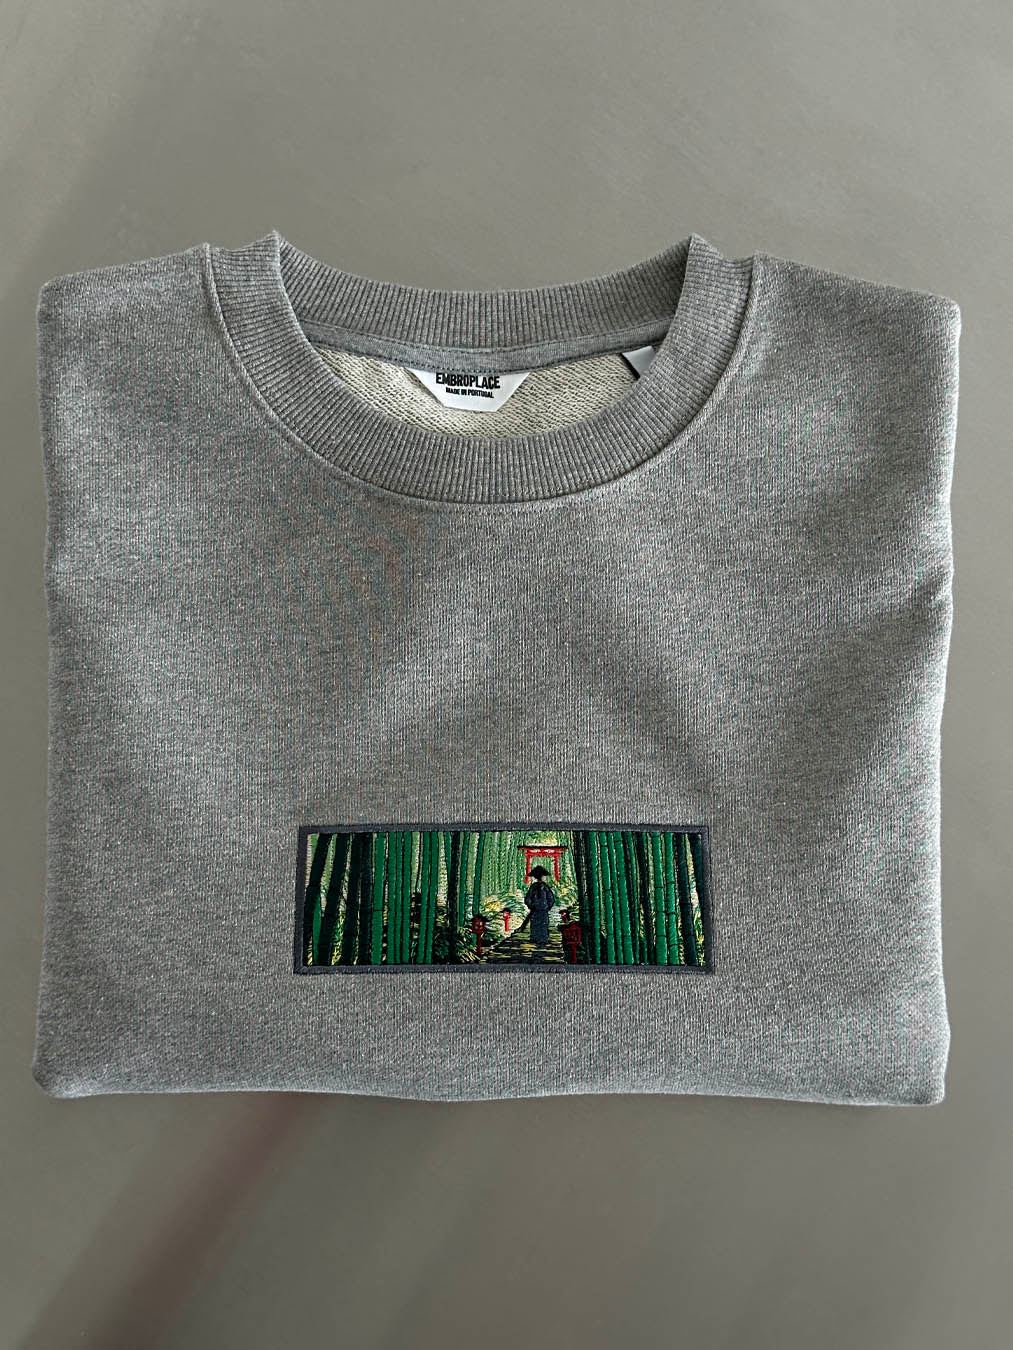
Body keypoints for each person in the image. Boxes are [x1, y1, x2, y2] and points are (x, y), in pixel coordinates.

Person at [524, 866, 557, 946]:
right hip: (537, 909)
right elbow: (528, 899)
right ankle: (538, 938)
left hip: (541, 909)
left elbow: (551, 898)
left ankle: (542, 939)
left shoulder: (541, 887)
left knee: (542, 924)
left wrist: (547, 906)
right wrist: (532, 906)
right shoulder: (537, 887)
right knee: (538, 924)